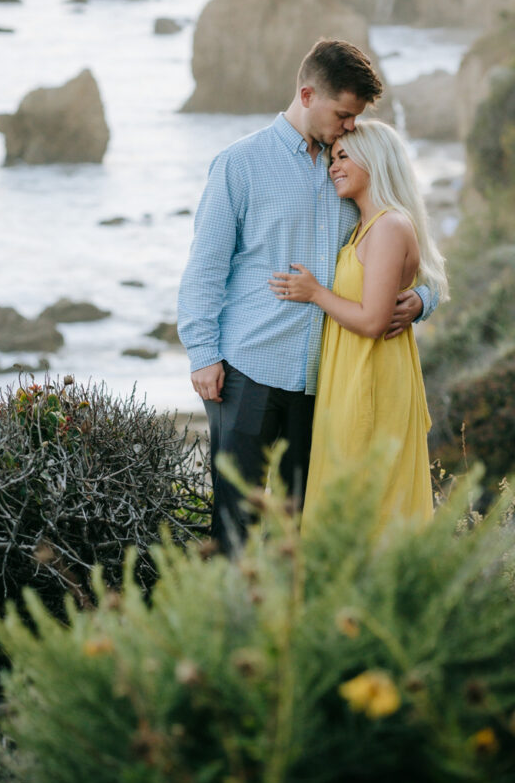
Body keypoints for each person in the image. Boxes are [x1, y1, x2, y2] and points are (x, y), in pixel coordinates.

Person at [177, 39, 438, 553]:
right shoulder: (240, 164)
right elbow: (205, 268)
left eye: (354, 118)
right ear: (307, 93)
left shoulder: (351, 167)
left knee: (307, 528)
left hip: (324, 383)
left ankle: (294, 629)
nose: (348, 127)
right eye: (342, 114)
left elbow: (409, 248)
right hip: (248, 370)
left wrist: (422, 299)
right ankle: (235, 630)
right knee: (238, 526)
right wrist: (203, 354)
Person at [269, 120, 449, 530]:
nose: (333, 167)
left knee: (367, 501)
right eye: (332, 158)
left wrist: (315, 292)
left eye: (344, 157)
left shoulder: (389, 225)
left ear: (376, 160)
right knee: (345, 498)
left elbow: (371, 320)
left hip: (371, 376)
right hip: (348, 375)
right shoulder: (361, 227)